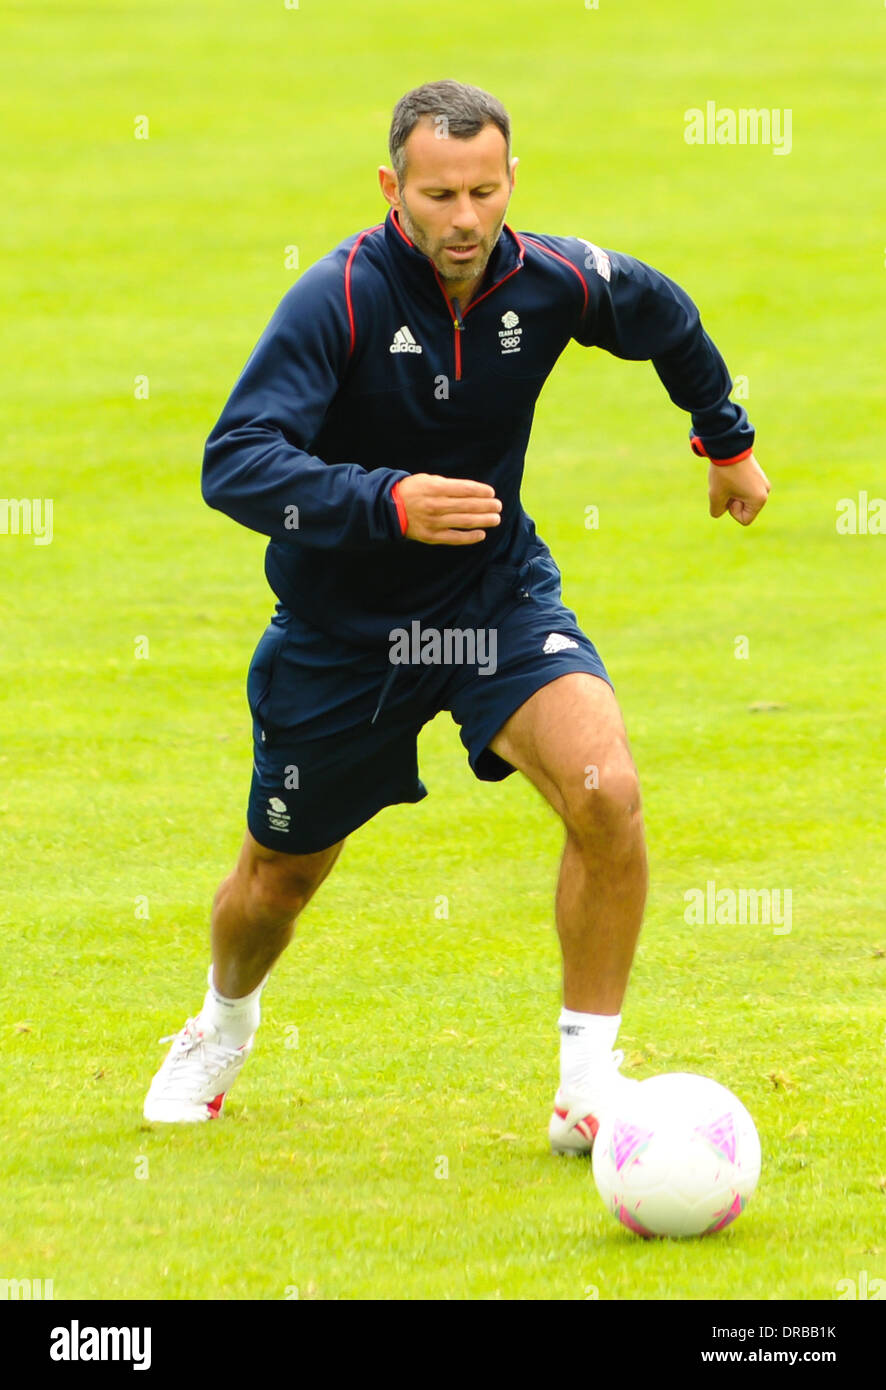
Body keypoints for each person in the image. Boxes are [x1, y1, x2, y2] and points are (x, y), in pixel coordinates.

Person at [144, 80, 770, 1147]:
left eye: (485, 190)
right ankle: (220, 1022)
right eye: (440, 195)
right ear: (394, 189)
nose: (466, 219)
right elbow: (233, 463)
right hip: (343, 637)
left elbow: (663, 312)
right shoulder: (335, 298)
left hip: (494, 602)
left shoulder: (554, 278)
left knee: (603, 790)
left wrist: (725, 437)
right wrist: (385, 500)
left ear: (511, 179)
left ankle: (587, 1088)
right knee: (277, 879)